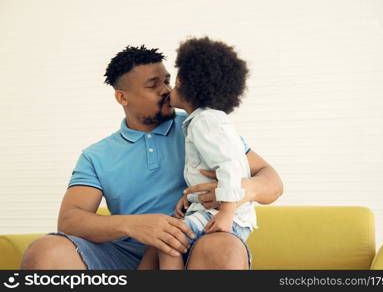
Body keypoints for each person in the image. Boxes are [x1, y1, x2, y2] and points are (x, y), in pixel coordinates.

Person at [20, 44, 283, 270]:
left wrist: (237, 190)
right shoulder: (96, 156)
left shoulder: (202, 126)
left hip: (195, 247)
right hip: (122, 256)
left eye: (167, 81)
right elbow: (70, 221)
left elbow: (272, 183)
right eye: (153, 85)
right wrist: (135, 226)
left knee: (223, 249)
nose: (166, 90)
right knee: (45, 251)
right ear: (122, 97)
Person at [139, 37, 256, 269]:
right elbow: (208, 171)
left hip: (224, 216)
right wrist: (191, 199)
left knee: (166, 240)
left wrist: (226, 212)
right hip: (217, 212)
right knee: (167, 236)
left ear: (183, 83)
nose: (168, 89)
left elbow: (230, 166)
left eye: (172, 80)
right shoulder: (208, 120)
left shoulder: (204, 122)